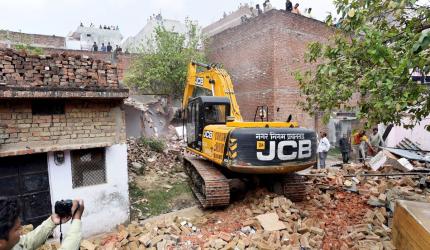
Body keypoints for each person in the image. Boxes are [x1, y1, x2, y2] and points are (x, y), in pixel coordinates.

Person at [0, 197, 84, 250]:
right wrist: (76, 219)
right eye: (17, 229)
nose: (22, 230)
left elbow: (25, 243)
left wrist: (51, 221)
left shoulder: (10, 246)